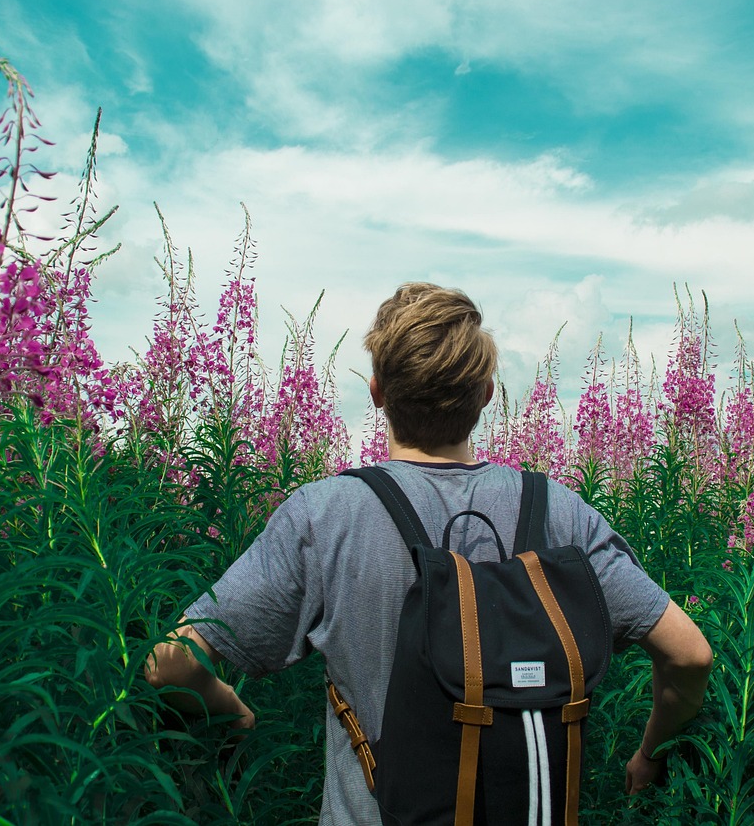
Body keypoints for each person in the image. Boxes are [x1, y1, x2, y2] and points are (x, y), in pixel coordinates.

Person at [146, 282, 713, 823]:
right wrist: (651, 753)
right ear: (488, 394)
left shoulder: (327, 515)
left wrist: (232, 710)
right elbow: (689, 656)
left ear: (377, 394)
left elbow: (170, 665)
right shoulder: (561, 512)